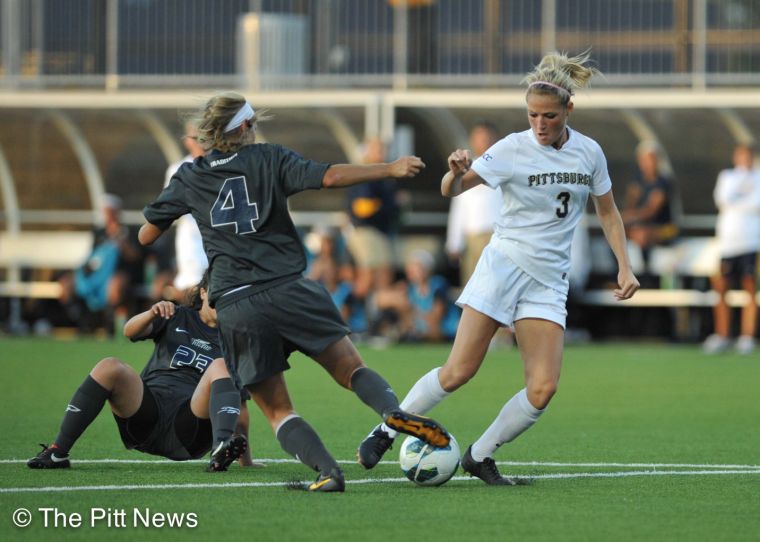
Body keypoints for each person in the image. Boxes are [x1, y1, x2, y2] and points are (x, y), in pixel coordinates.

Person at [138, 91, 450, 492]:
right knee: (353, 370)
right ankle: (391, 412)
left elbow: (147, 234)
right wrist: (389, 168)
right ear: (247, 127)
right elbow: (330, 176)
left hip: (237, 304)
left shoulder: (190, 176)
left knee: (279, 411)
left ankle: (327, 472)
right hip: (290, 288)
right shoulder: (269, 157)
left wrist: (180, 210)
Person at [357, 51, 640, 484]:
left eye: (548, 115)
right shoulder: (511, 148)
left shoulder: (590, 153)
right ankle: (387, 429)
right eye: (532, 115)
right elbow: (451, 190)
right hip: (503, 266)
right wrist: (454, 173)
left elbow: (608, 212)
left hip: (548, 280)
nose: (540, 124)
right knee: (459, 371)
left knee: (543, 388)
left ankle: (480, 455)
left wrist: (625, 265)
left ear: (569, 110)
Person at [28, 272, 257, 471]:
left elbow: (239, 406)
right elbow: (129, 331)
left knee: (220, 365)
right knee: (110, 366)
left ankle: (220, 448)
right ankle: (58, 452)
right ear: (204, 292)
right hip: (148, 414)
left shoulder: (235, 341)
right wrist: (151, 313)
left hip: (189, 425)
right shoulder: (176, 315)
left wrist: (245, 460)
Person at [703, 143, 760, 355]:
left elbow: (757, 203)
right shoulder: (727, 176)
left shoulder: (758, 177)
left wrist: (739, 200)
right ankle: (723, 334)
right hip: (729, 243)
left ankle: (747, 336)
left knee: (749, 287)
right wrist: (742, 197)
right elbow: (723, 199)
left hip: (751, 242)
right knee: (722, 287)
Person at [445, 121, 503, 286]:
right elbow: (459, 207)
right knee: (473, 287)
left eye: (486, 138)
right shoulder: (465, 168)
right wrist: (454, 241)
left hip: (498, 237)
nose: (483, 143)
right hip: (473, 238)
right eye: (479, 139)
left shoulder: (504, 166)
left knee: (496, 286)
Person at [345, 137, 400, 301]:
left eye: (382, 149)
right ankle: (347, 310)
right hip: (366, 230)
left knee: (382, 275)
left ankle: (373, 317)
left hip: (378, 231)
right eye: (377, 149)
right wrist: (390, 204)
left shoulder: (383, 174)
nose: (382, 153)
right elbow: (362, 208)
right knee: (369, 276)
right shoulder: (365, 172)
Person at [164, 121, 209, 303]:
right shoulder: (178, 169)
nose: (199, 142)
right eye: (194, 137)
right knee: (192, 290)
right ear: (187, 141)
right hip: (191, 239)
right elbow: (168, 208)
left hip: (219, 237)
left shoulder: (221, 165)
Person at [621, 140, 679, 279]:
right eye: (644, 159)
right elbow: (630, 204)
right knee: (614, 233)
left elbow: (651, 210)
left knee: (642, 235)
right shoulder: (637, 181)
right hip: (642, 226)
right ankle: (616, 276)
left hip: (665, 229)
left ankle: (646, 278)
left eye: (651, 159)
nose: (647, 163)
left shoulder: (663, 182)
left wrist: (629, 217)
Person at [373, 248, 459, 342]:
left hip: (444, 332)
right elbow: (379, 299)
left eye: (415, 266)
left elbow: (436, 317)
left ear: (426, 269)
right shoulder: (410, 289)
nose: (410, 269)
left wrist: (412, 314)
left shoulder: (438, 285)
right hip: (422, 330)